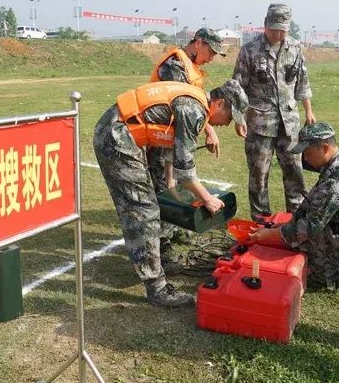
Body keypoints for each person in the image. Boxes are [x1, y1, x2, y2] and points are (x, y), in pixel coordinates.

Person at [93, 79, 249, 307]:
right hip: (116, 138)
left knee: (150, 203)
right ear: (220, 103)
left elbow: (167, 142)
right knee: (142, 211)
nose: (227, 124)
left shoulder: (194, 103)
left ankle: (159, 258)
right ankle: (156, 288)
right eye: (229, 116)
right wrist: (207, 199)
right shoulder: (193, 110)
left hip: (121, 132)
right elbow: (185, 170)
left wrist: (169, 184)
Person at [248, 122, 339, 291]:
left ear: (325, 148)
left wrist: (273, 235)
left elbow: (311, 227)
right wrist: (283, 228)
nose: (305, 159)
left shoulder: (337, 178)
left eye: (308, 153)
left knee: (296, 251)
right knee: (292, 236)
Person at [149, 28, 227, 268]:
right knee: (163, 189)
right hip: (158, 135)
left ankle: (172, 230)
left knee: (173, 186)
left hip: (173, 136)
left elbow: (198, 104)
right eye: (211, 51)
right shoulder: (174, 65)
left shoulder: (191, 68)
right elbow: (184, 105)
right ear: (199, 43)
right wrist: (208, 129)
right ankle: (163, 250)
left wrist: (209, 129)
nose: (212, 58)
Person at [233, 3, 316, 216]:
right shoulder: (249, 51)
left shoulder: (295, 48)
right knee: (259, 174)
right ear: (265, 25)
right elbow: (238, 87)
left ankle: (297, 219)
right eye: (275, 28)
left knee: (295, 172)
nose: (279, 33)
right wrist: (238, 117)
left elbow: (302, 82)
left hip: (289, 123)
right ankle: (261, 221)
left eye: (283, 29)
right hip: (260, 123)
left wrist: (308, 111)